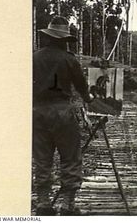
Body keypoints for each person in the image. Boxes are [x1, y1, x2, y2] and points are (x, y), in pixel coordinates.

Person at [33, 16, 93, 216]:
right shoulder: (70, 60)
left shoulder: (34, 58)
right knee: (70, 157)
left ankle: (43, 202)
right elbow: (83, 89)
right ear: (64, 40)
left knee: (42, 158)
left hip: (38, 112)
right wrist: (90, 98)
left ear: (48, 37)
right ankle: (67, 204)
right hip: (62, 113)